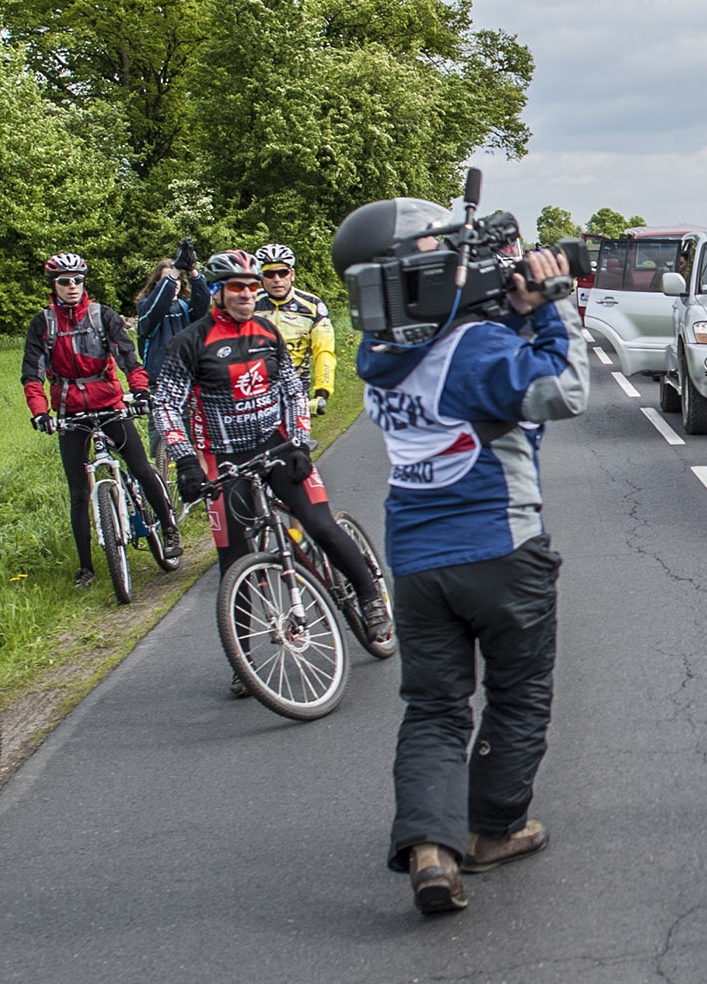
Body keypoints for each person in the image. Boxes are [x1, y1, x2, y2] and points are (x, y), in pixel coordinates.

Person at [337, 200, 589, 914]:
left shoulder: (380, 354)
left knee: (434, 707)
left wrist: (507, 310)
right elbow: (563, 390)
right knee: (517, 695)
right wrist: (553, 305)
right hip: (501, 548)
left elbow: (456, 354)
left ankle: (429, 847)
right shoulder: (475, 352)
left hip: (416, 560)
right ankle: (490, 833)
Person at [153, 249, 391, 683]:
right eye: (237, 287)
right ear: (218, 293)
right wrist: (185, 459)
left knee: (318, 523)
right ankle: (243, 660)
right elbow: (166, 404)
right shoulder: (190, 341)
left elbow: (292, 391)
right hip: (223, 457)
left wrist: (299, 441)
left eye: (251, 286)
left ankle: (370, 596)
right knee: (234, 556)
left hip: (278, 445)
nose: (248, 293)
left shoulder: (265, 331)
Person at [22, 253, 177, 590]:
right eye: (64, 281)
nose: (72, 286)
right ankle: (86, 568)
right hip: (69, 413)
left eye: (78, 280)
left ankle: (168, 527)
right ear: (54, 286)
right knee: (78, 492)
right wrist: (39, 412)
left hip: (109, 404)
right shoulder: (43, 324)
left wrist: (140, 391)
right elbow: (32, 374)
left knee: (139, 466)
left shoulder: (101, 315)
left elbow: (128, 357)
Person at [250, 242, 338, 416]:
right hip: (255, 390)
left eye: (282, 272)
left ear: (292, 274)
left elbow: (324, 351)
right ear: (260, 277)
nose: (277, 279)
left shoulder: (312, 306)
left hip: (295, 391)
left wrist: (322, 392)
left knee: (297, 441)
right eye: (269, 273)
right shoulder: (250, 304)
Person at [134, 240, 209, 378]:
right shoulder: (145, 306)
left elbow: (203, 301)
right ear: (158, 283)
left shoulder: (185, 306)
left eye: (178, 279)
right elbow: (157, 306)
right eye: (169, 279)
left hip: (188, 377)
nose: (174, 284)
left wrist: (192, 269)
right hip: (159, 380)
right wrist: (176, 269)